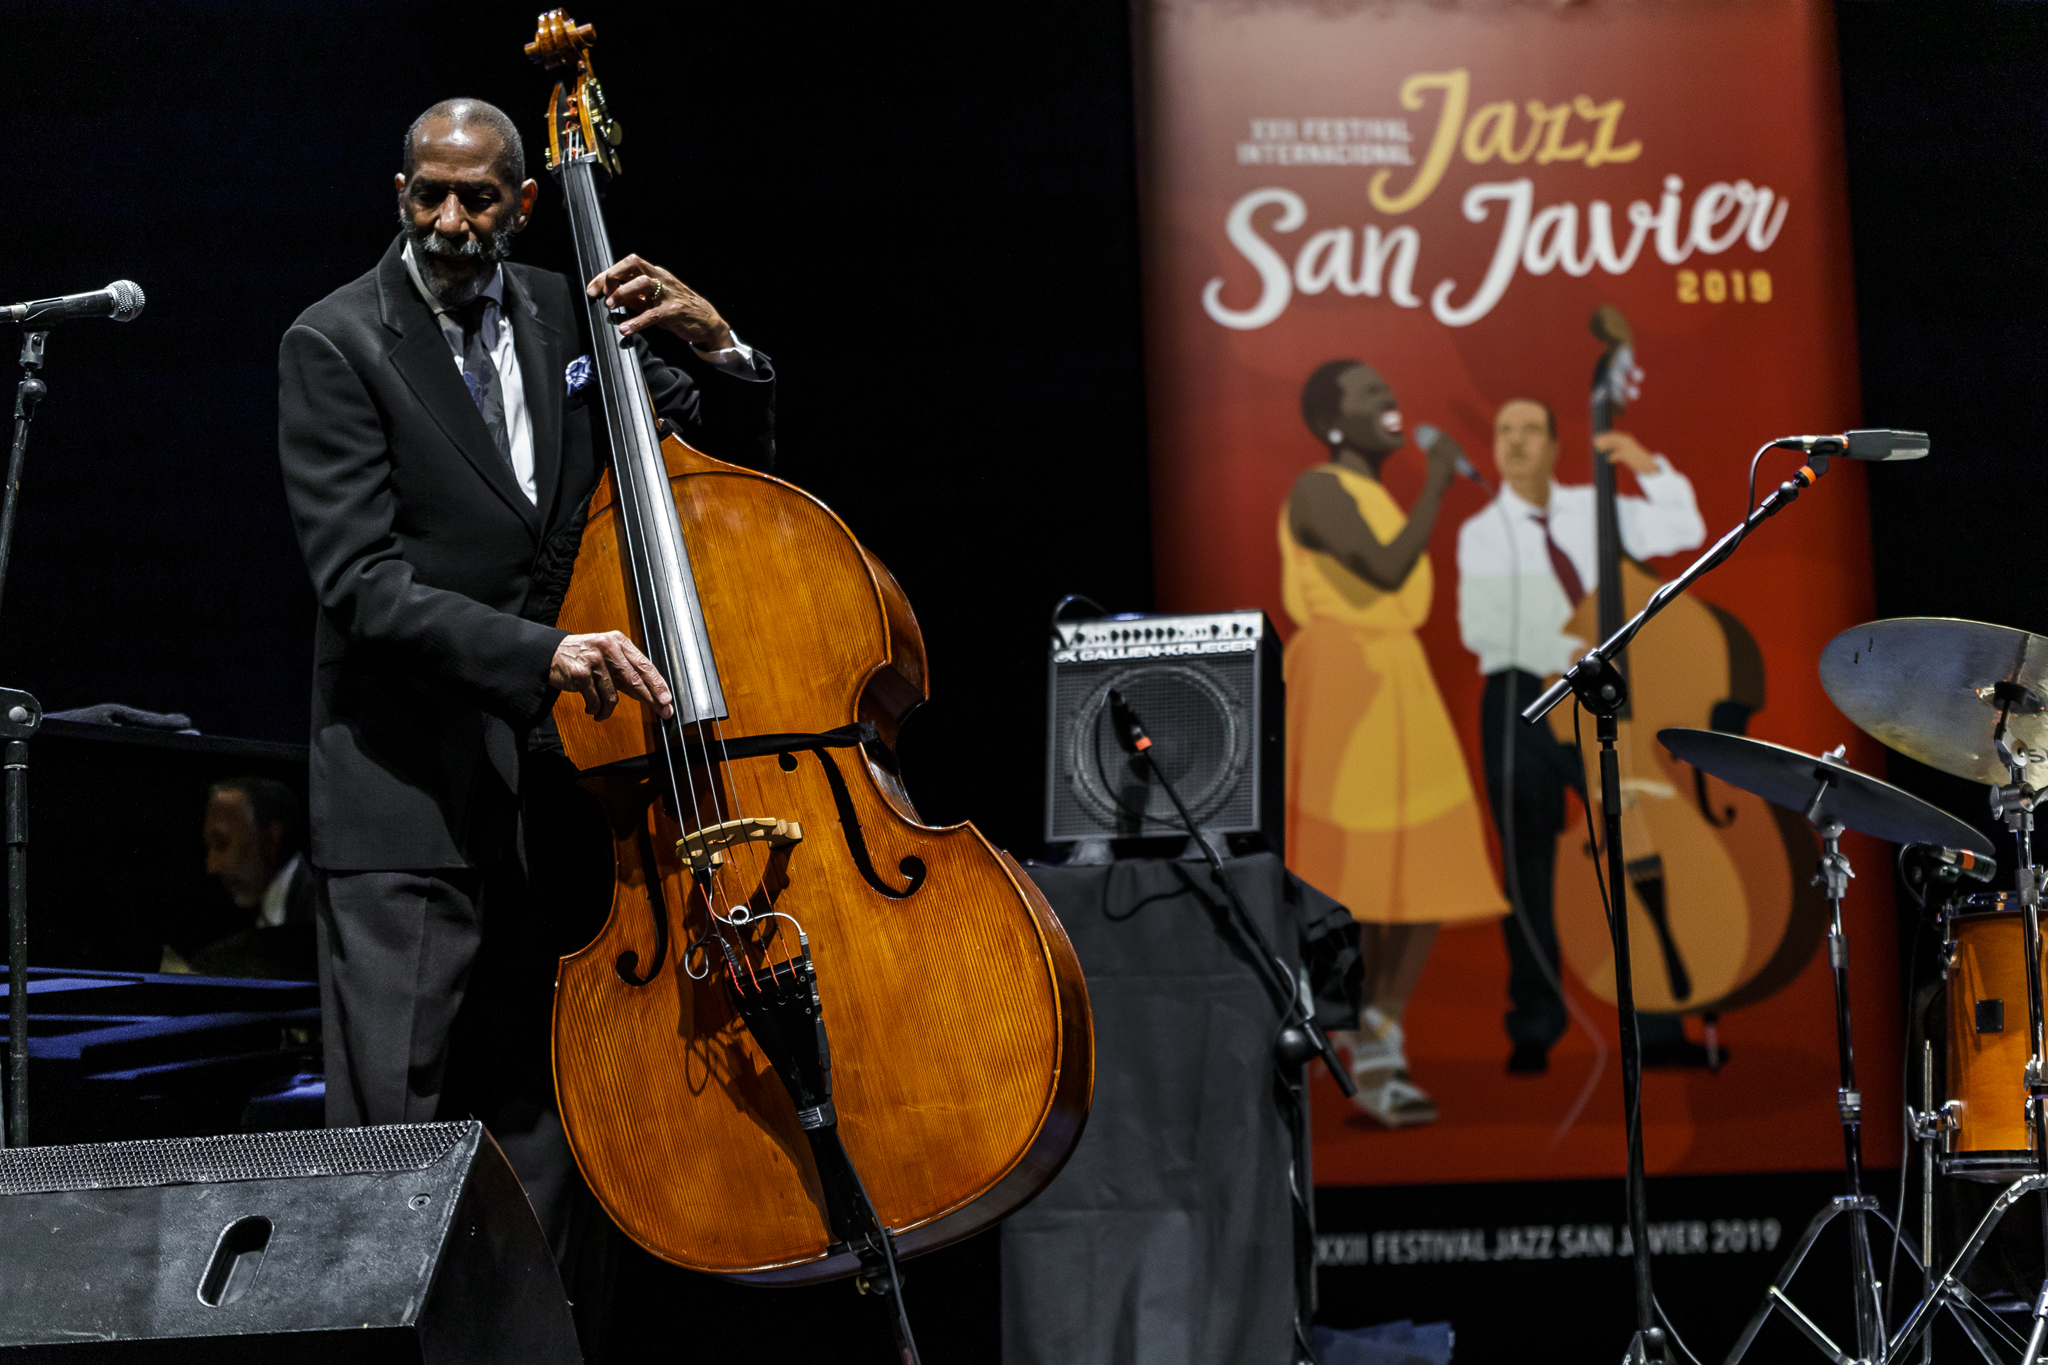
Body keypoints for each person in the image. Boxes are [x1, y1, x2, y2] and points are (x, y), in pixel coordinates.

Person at [276, 96, 775, 1338]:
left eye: (479, 199)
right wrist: (550, 653)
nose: (452, 221)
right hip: (407, 811)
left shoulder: (573, 311)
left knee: (553, 1143)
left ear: (523, 202)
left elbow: (705, 477)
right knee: (392, 1153)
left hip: (562, 803)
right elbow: (361, 587)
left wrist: (727, 353)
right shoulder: (333, 343)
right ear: (399, 194)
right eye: (429, 195)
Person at [1279, 361, 1506, 1128]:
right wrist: (1438, 481)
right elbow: (1383, 567)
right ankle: (1329, 1041)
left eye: (1389, 387)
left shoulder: (1377, 491)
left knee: (1423, 876)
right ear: (1333, 421)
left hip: (1399, 684)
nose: (1390, 399)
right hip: (1346, 684)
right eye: (1369, 393)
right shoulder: (1318, 489)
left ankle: (1381, 1034)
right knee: (1357, 879)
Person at [1454, 398, 1710, 1074]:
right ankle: (1534, 1024)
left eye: (1529, 429)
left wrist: (1646, 466)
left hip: (1595, 695)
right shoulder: (1482, 531)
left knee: (1633, 852)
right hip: (1519, 701)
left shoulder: (1594, 512)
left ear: (1554, 443)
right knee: (1527, 868)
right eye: (1503, 430)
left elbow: (1686, 525)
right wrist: (1568, 639)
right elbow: (1481, 627)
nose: (1514, 441)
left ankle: (1657, 1028)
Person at [162, 777, 318, 980]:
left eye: (221, 844)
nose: (211, 867)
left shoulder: (318, 914)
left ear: (271, 840)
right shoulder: (268, 907)